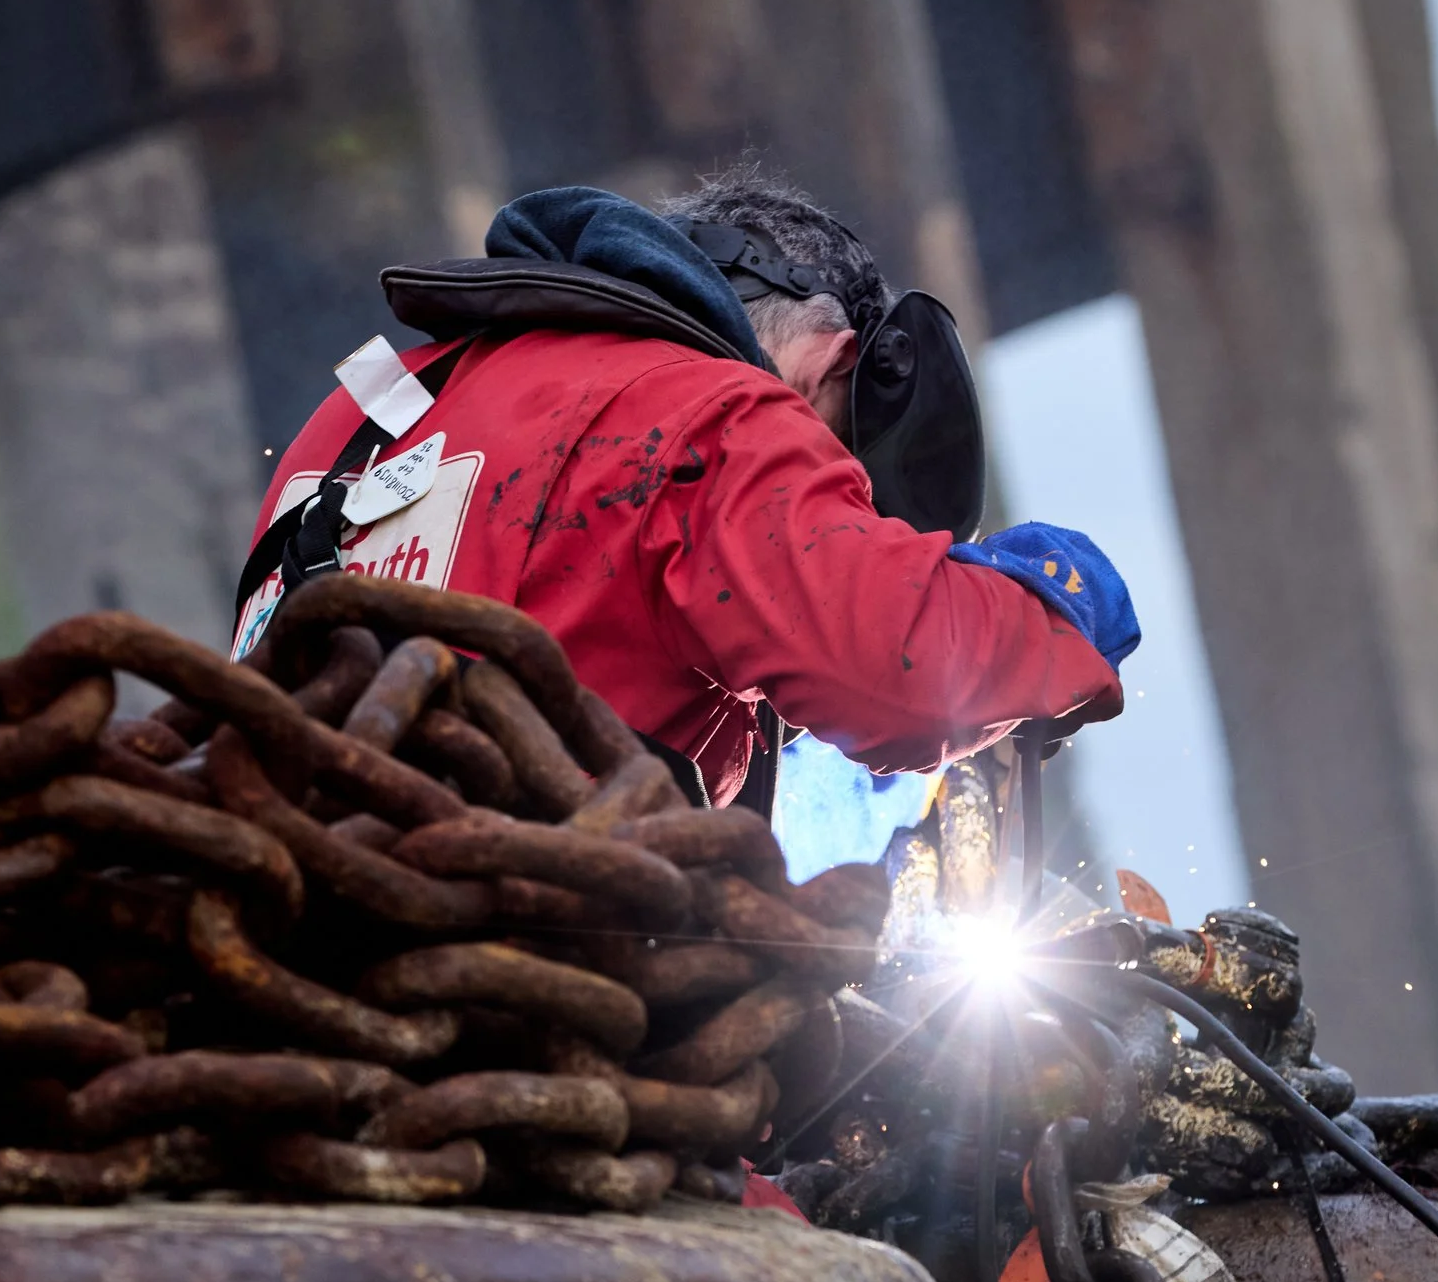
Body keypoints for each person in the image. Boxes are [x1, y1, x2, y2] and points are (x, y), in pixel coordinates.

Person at [235, 167, 1138, 813]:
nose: (833, 504)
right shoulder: (715, 416)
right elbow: (899, 667)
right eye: (843, 488)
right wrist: (1057, 606)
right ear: (835, 361)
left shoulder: (367, 413)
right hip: (500, 964)